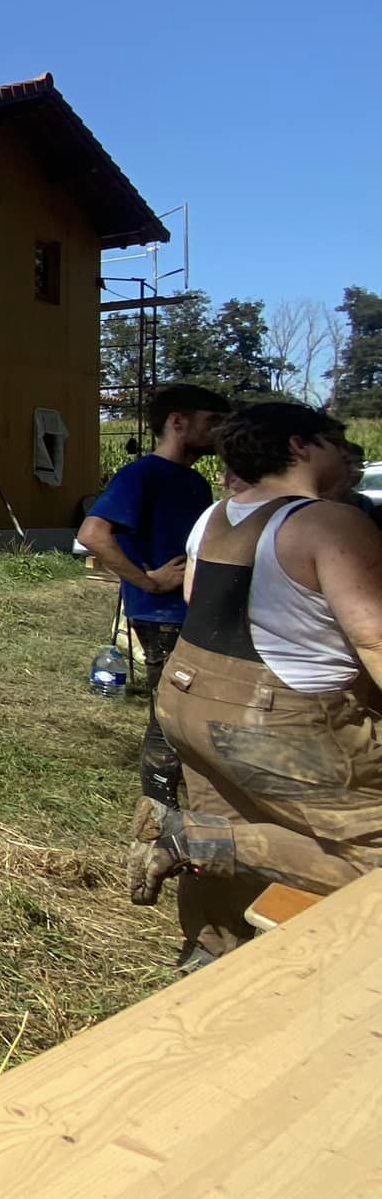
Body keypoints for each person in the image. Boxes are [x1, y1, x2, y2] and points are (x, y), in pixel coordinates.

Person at [128, 402, 382, 959]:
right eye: (336, 440)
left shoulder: (216, 516)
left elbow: (198, 599)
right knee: (369, 854)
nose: (345, 452)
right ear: (299, 446)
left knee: (234, 819)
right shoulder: (328, 521)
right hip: (278, 715)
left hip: (187, 698)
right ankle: (191, 839)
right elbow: (373, 638)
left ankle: (211, 951)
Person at [79, 384, 230, 806]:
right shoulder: (141, 475)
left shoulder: (196, 483)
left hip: (193, 610)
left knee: (192, 712)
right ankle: (160, 810)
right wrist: (148, 581)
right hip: (162, 613)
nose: (220, 432)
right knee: (169, 717)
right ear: (177, 423)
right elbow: (93, 534)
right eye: (211, 421)